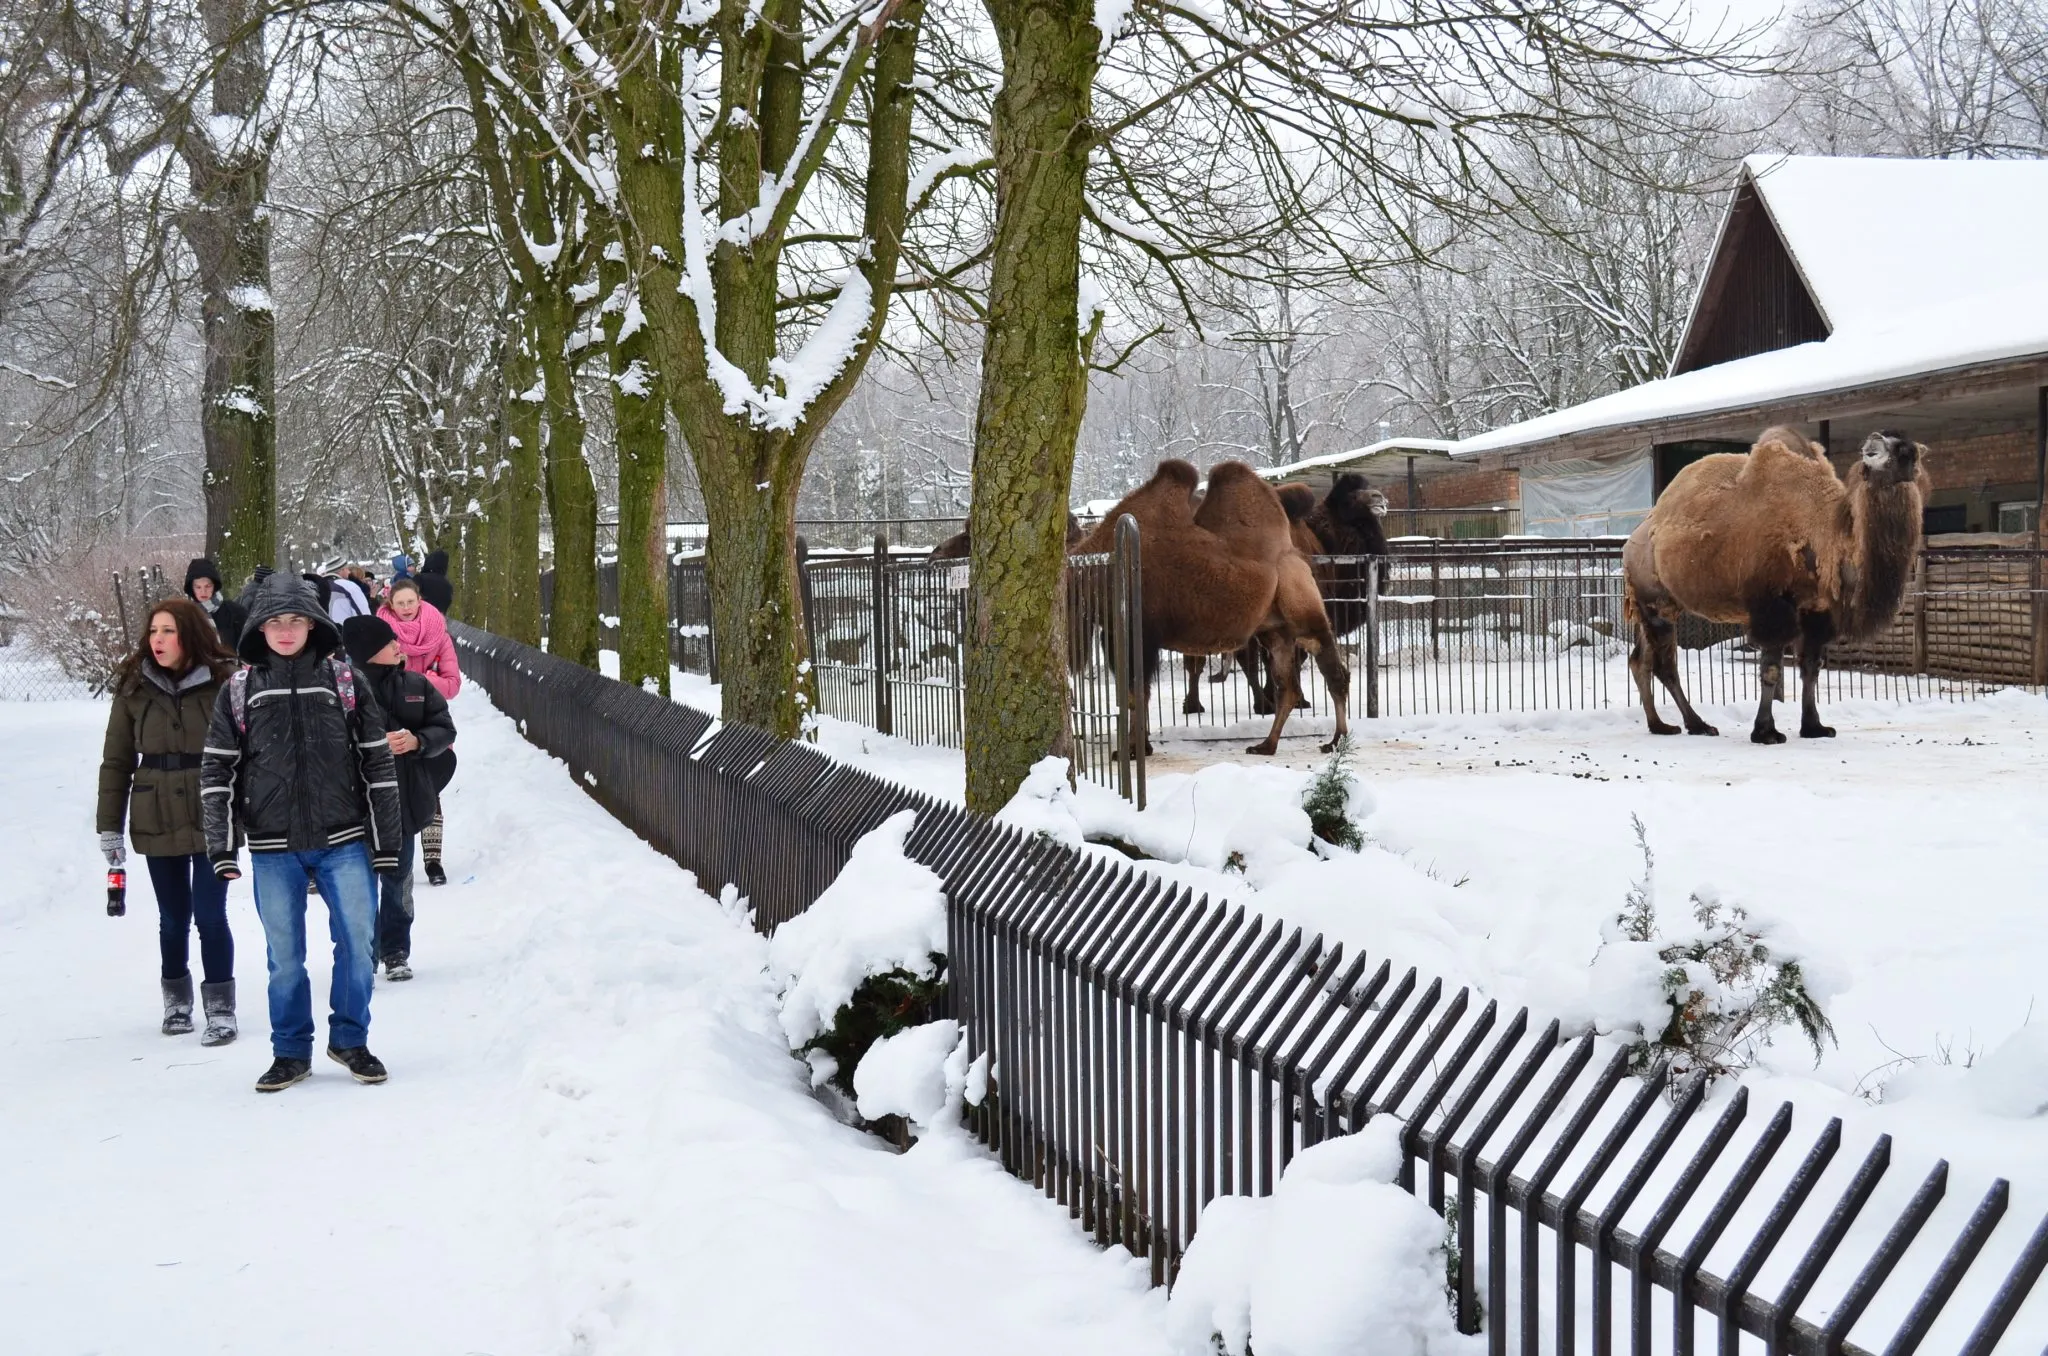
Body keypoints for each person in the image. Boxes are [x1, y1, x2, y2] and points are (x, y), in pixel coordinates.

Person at [200, 577, 403, 1093]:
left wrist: (387, 843)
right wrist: (222, 847)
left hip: (345, 839)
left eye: (295, 620)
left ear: (313, 625)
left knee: (358, 945)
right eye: (274, 622)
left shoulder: (345, 681)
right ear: (258, 629)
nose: (285, 631)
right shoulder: (240, 690)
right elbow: (217, 772)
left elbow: (377, 763)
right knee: (284, 958)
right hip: (274, 847)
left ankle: (350, 1040)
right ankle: (290, 1052)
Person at [97, 599, 241, 1044]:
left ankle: (221, 1009)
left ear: (189, 636)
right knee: (173, 918)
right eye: (153, 631)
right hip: (155, 812)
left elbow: (248, 752)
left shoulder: (224, 682)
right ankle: (176, 1002)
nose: (157, 640)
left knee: (210, 915)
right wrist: (109, 827)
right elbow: (116, 761)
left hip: (211, 810)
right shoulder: (134, 687)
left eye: (168, 631)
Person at [341, 616, 455, 980]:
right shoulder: (341, 692)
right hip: (356, 807)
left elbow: (444, 727)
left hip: (403, 804)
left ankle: (395, 951)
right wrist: (371, 746)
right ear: (369, 651)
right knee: (359, 887)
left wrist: (418, 741)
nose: (398, 645)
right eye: (389, 641)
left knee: (398, 881)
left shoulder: (416, 685)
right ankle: (363, 953)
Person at [379, 577, 461, 885]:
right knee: (392, 791)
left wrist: (421, 681)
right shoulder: (381, 634)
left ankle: (433, 859)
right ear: (391, 604)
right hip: (391, 723)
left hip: (428, 720)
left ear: (419, 600)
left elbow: (452, 684)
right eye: (400, 603)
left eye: (410, 602)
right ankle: (394, 856)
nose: (406, 608)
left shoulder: (439, 634)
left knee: (429, 788)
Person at [183, 558, 249, 652]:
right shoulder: (185, 615)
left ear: (214, 585)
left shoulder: (235, 612)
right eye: (198, 587)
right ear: (191, 588)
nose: (203, 592)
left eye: (208, 586)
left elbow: (250, 645)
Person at [414, 549, 454, 615]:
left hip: (419, 616)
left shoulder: (420, 578)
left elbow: (409, 596)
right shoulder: (448, 586)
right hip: (437, 618)